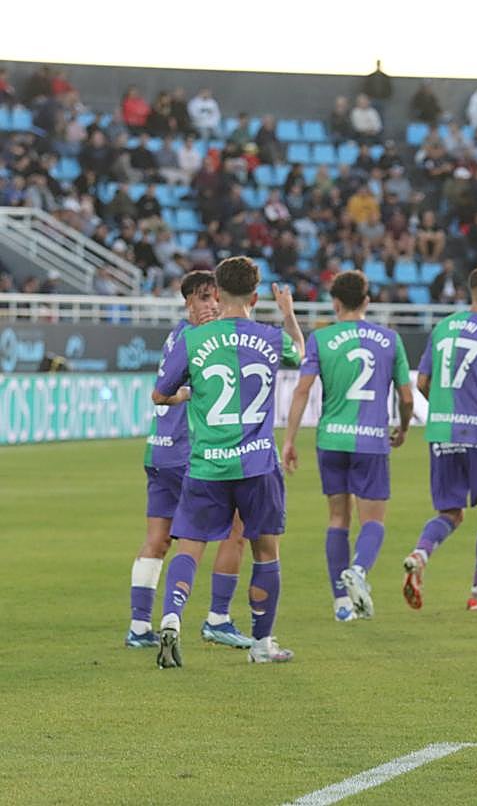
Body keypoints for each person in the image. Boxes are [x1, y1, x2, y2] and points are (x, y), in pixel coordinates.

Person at [151, 257, 303, 667]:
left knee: (189, 545)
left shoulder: (194, 339)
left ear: (216, 294)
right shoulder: (271, 337)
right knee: (265, 551)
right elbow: (301, 354)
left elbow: (161, 394)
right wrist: (288, 314)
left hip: (207, 464)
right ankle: (261, 644)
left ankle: (170, 618)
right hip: (257, 464)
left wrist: (188, 395)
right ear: (256, 296)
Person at [127, 271, 252, 651]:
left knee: (157, 540)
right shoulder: (197, 339)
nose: (212, 305)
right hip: (186, 452)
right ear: (187, 302)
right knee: (235, 527)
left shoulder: (176, 335)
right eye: (203, 298)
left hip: (158, 449)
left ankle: (138, 627)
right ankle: (218, 617)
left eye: (216, 298)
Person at [282, 270, 414, 622]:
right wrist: (402, 427)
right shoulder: (390, 340)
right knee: (373, 521)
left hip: (331, 440)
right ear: (367, 302)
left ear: (335, 303)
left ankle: (341, 603)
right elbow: (406, 396)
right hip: (371, 441)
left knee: (337, 519)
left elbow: (301, 391)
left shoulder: (320, 340)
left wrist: (290, 440)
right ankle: (357, 570)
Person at [401, 264, 477, 612]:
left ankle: (420, 552)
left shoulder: (442, 328)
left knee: (450, 512)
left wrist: (445, 409)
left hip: (440, 432)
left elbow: (423, 383)